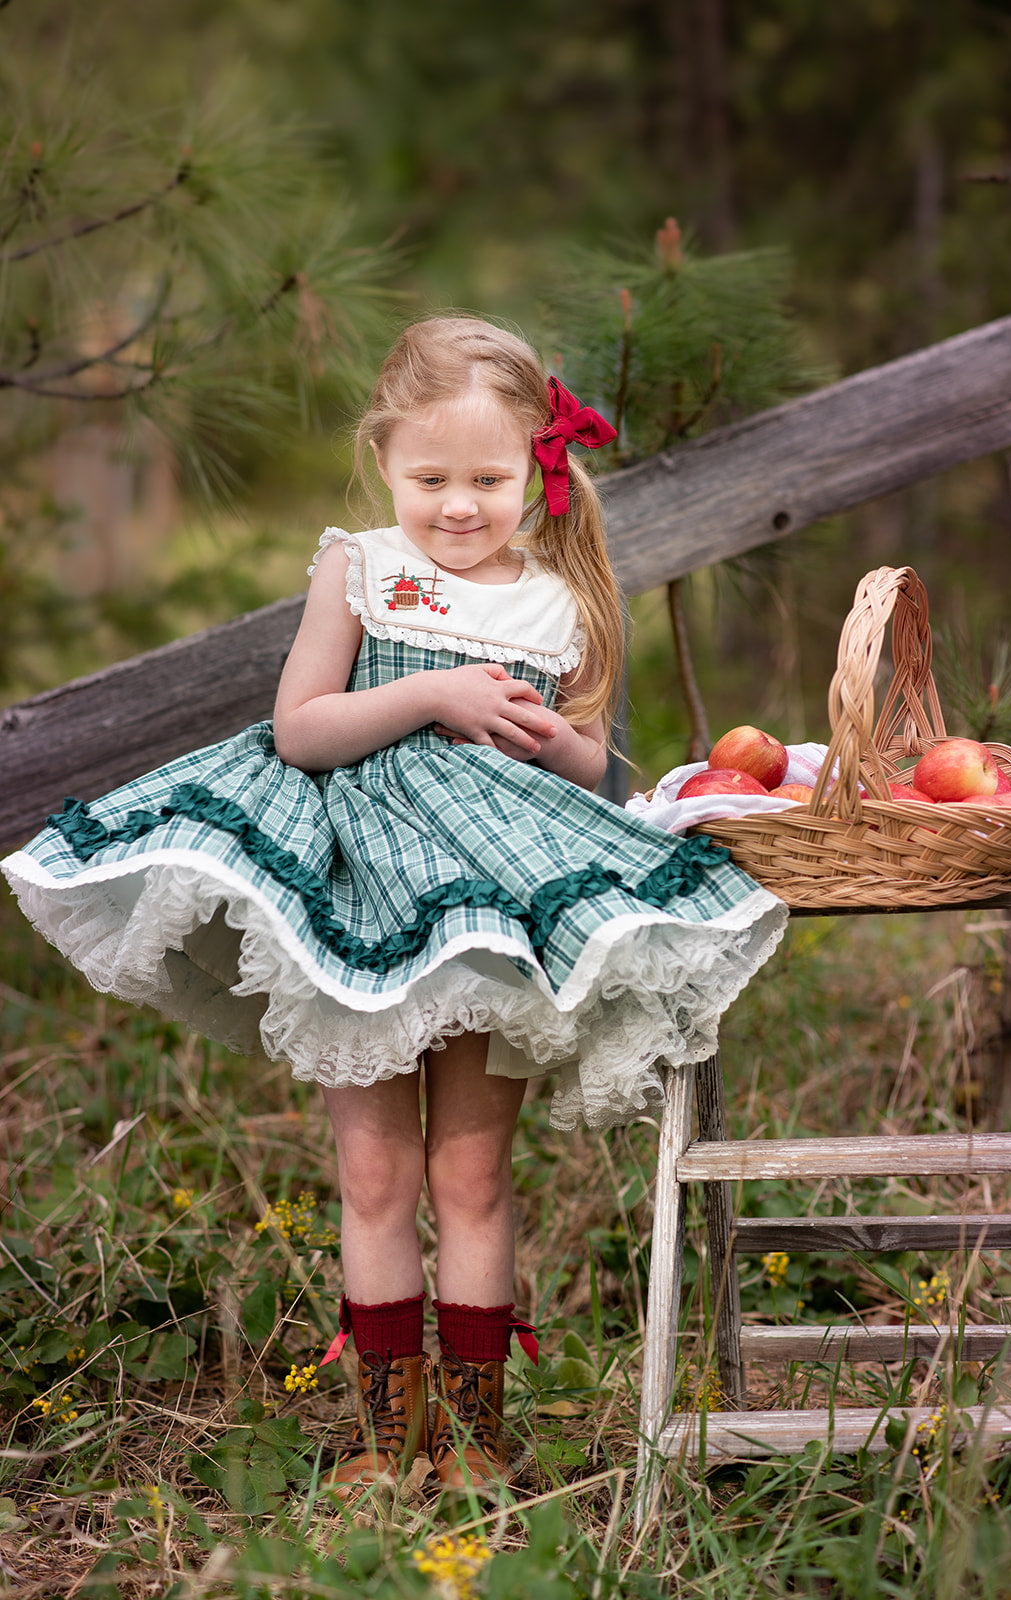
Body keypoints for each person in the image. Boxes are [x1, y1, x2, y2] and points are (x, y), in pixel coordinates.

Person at [2, 316, 786, 1495]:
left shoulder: (557, 600)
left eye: (489, 478)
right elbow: (299, 728)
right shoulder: (359, 565)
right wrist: (431, 694)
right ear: (385, 463)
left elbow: (586, 767)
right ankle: (382, 1430)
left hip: (491, 908)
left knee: (472, 1173)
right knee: (376, 1172)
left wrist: (538, 734)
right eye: (431, 479)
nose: (459, 506)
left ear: (538, 470)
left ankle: (476, 1434)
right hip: (359, 897)